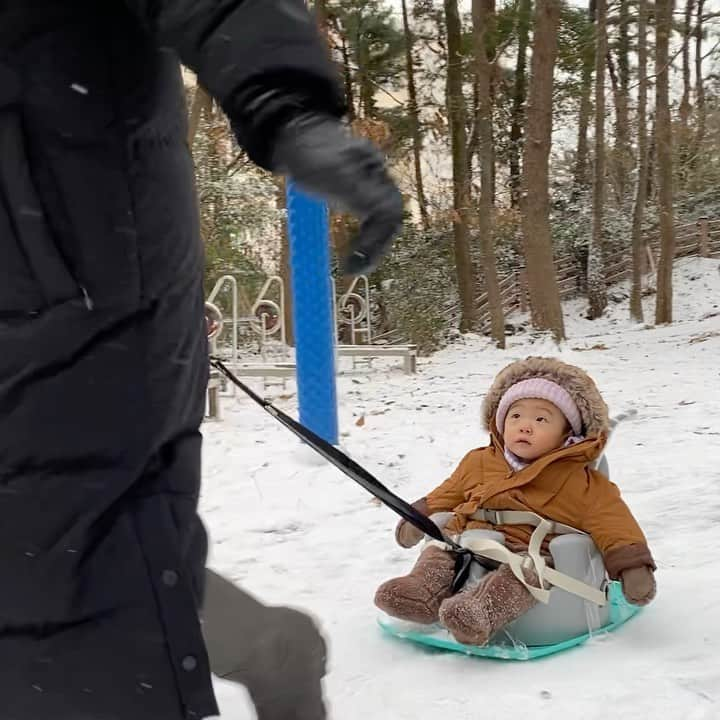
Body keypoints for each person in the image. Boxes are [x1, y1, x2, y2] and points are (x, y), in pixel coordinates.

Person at [0, 2, 402, 719]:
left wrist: (283, 97)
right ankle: (260, 642)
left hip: (77, 269)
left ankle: (254, 645)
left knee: (70, 554)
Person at [374, 357, 656, 646]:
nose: (525, 426)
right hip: (467, 541)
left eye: (541, 419)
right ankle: (419, 595)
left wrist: (632, 565)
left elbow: (612, 520)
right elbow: (448, 493)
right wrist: (417, 517)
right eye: (516, 416)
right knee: (439, 552)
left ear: (567, 433)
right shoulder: (479, 461)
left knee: (522, 577)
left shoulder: (578, 479)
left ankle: (479, 613)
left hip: (529, 552)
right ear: (500, 422)